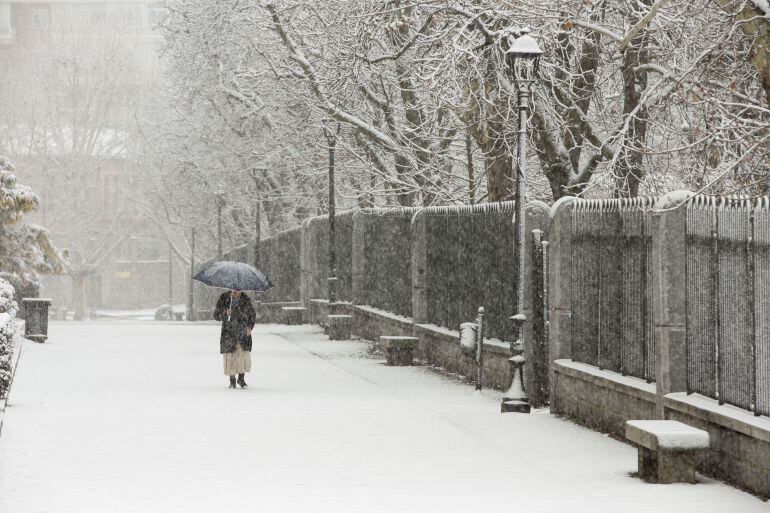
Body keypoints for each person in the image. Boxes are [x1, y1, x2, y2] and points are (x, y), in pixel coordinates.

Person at [213, 290, 256, 389]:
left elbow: (252, 315)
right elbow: (216, 315)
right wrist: (225, 312)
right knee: (230, 356)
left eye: (238, 291)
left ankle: (241, 379)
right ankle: (232, 381)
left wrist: (250, 327)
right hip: (229, 332)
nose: (236, 293)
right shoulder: (224, 298)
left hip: (243, 332)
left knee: (242, 356)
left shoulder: (245, 299)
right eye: (234, 291)